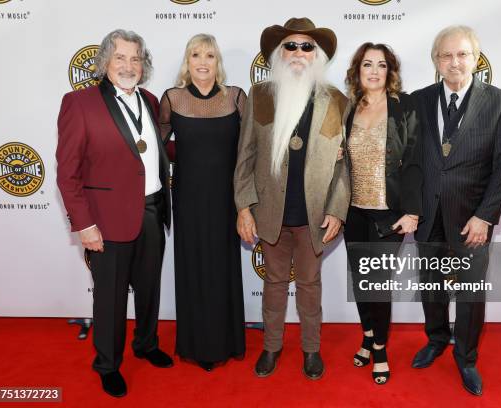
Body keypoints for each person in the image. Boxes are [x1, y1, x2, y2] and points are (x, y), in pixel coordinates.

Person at [56, 29, 173, 398]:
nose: (128, 65)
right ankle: (107, 364)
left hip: (153, 209)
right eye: (120, 57)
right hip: (106, 221)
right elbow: (67, 173)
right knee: (110, 297)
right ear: (105, 61)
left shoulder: (151, 100)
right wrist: (85, 225)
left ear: (144, 64)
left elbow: (153, 154)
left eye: (135, 58)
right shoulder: (80, 103)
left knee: (150, 287)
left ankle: (146, 343)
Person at [234, 17, 350, 380]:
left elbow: (345, 166)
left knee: (310, 287)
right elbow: (245, 157)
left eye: (307, 46)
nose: (298, 52)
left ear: (317, 55)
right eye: (291, 45)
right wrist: (243, 207)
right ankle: (271, 346)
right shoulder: (260, 96)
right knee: (273, 284)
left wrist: (337, 210)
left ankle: (311, 350)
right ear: (278, 53)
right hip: (270, 213)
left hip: (314, 217)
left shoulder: (337, 100)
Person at [411, 25, 501, 396]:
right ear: (436, 61)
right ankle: (437, 338)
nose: (454, 62)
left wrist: (485, 216)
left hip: (472, 218)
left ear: (475, 58)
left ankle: (466, 357)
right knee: (431, 286)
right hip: (428, 216)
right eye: (446, 55)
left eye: (462, 54)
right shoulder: (418, 100)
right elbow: (410, 162)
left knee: (470, 293)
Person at [159, 34, 246, 371]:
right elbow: (155, 143)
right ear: (187, 60)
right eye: (196, 54)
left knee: (223, 268)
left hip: (227, 200)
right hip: (187, 199)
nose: (203, 61)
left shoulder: (237, 98)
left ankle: (227, 342)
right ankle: (195, 345)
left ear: (217, 61)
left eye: (210, 55)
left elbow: (251, 148)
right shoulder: (173, 99)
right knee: (192, 267)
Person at [343, 42, 422, 385]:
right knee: (361, 284)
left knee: (378, 286)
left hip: (388, 214)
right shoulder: (349, 109)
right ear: (357, 72)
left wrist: (414, 211)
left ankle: (379, 349)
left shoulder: (404, 107)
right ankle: (366, 334)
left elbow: (417, 162)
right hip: (354, 210)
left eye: (381, 65)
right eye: (367, 65)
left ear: (389, 72)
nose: (374, 71)